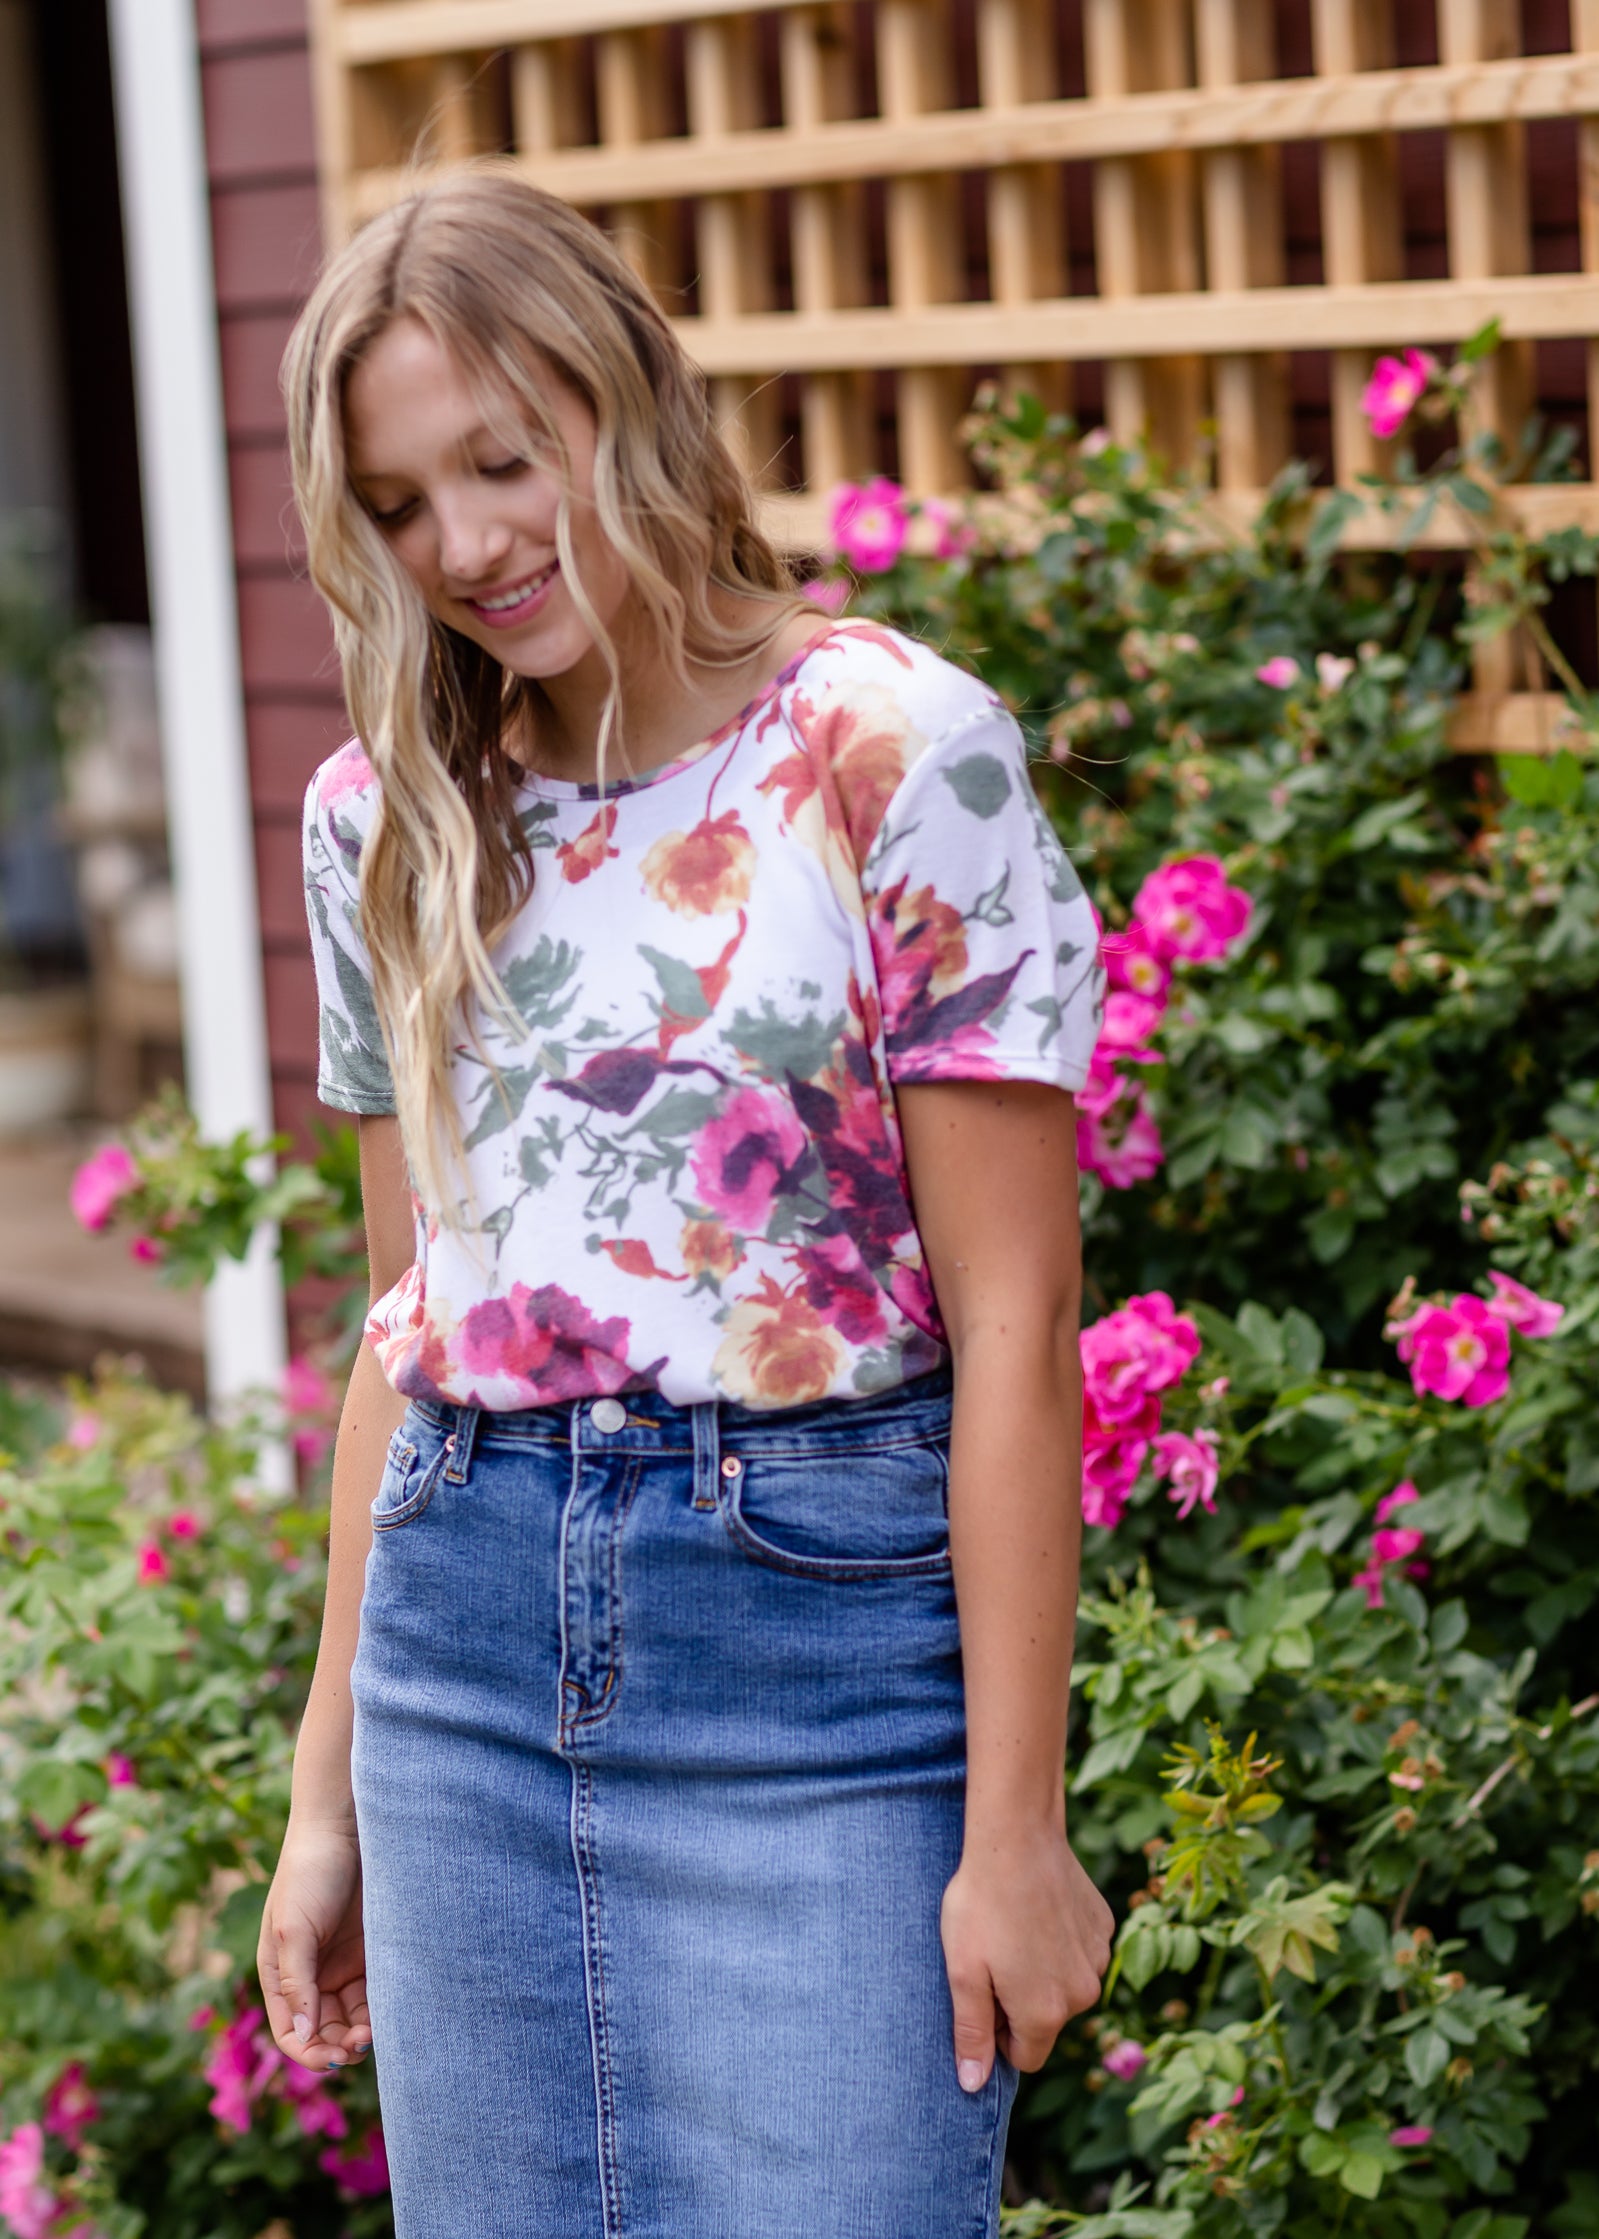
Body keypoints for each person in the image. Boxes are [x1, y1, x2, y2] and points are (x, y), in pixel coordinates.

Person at [259, 168, 1112, 2239]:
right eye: (393, 504)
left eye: (498, 459)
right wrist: (321, 1798)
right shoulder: (385, 816)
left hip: (817, 1668)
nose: (459, 545)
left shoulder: (892, 753)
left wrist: (1016, 1826)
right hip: (454, 1674)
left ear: (619, 397)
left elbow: (1013, 1330)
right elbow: (408, 1313)